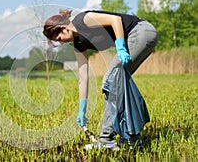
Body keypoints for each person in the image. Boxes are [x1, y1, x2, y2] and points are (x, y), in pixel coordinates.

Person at [42, 9, 158, 148]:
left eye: (59, 39)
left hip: (141, 32)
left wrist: (120, 47)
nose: (61, 43)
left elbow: (115, 20)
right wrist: (82, 109)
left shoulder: (83, 20)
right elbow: (83, 77)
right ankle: (131, 136)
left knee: (111, 81)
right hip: (135, 37)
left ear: (63, 28)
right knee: (116, 83)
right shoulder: (79, 45)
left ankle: (106, 139)